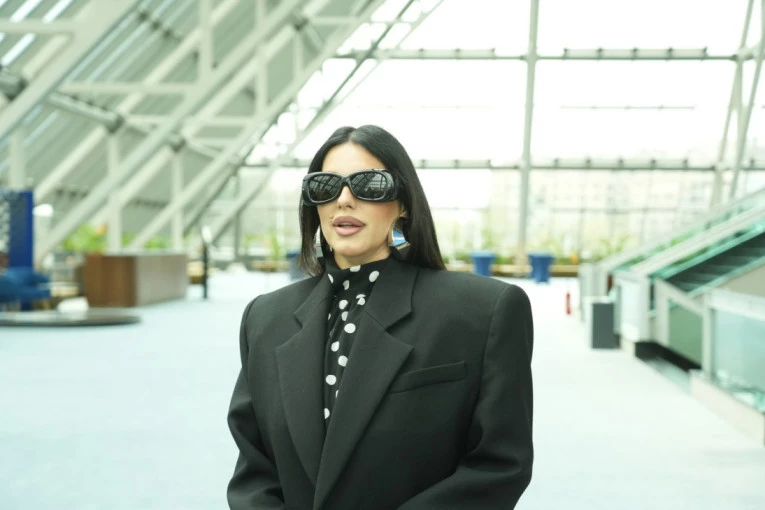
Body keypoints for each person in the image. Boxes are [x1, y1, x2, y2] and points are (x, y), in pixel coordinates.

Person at [227, 125, 534, 509]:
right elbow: (254, 470)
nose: (343, 200)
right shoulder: (264, 319)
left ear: (403, 202)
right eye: (325, 186)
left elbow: (499, 465)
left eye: (368, 185)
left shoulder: (483, 312)